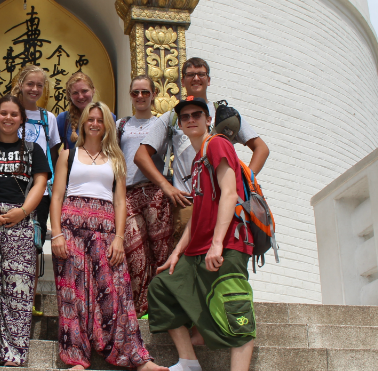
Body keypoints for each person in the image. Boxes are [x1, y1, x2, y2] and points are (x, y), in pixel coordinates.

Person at [50, 101, 167, 371]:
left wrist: (118, 237)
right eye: (90, 119)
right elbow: (56, 196)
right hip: (71, 227)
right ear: (83, 123)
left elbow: (120, 201)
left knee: (117, 291)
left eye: (99, 120)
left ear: (106, 125)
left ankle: (135, 357)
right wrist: (56, 234)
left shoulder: (116, 158)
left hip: (105, 230)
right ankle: (77, 358)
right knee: (73, 293)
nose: (94, 124)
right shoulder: (68, 154)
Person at [147, 97, 256, 371]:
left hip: (226, 245)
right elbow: (197, 213)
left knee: (236, 312)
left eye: (197, 114)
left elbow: (229, 193)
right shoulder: (198, 159)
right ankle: (188, 362)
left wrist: (217, 244)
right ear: (181, 125)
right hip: (198, 249)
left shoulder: (218, 144)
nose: (191, 119)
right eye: (185, 117)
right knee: (162, 288)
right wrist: (176, 253)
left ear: (209, 120)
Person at [133, 57, 270, 242]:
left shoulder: (224, 114)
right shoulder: (173, 116)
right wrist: (166, 186)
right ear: (183, 81)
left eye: (201, 74)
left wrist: (244, 180)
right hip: (189, 202)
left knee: (222, 256)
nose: (196, 78)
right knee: (189, 260)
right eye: (190, 75)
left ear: (209, 79)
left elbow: (261, 148)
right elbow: (141, 156)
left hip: (224, 201)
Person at [0, 95, 50, 366]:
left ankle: (15, 351)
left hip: (20, 221)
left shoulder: (32, 150)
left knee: (19, 289)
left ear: (22, 119)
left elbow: (40, 183)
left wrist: (24, 211)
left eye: (14, 114)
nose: (8, 118)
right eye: (3, 113)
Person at [116, 75, 172, 316]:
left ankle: (163, 305)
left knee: (161, 251)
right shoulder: (121, 125)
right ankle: (140, 307)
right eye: (135, 92)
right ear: (130, 95)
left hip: (154, 192)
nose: (140, 97)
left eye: (145, 93)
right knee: (135, 251)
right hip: (128, 193)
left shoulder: (161, 124)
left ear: (153, 95)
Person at [9, 65, 61, 316]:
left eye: (39, 85)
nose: (34, 89)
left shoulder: (47, 118)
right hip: (9, 187)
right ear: (20, 84)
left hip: (40, 190)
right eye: (30, 84)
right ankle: (7, 295)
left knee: (34, 243)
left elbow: (55, 152)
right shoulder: (9, 112)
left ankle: (29, 296)